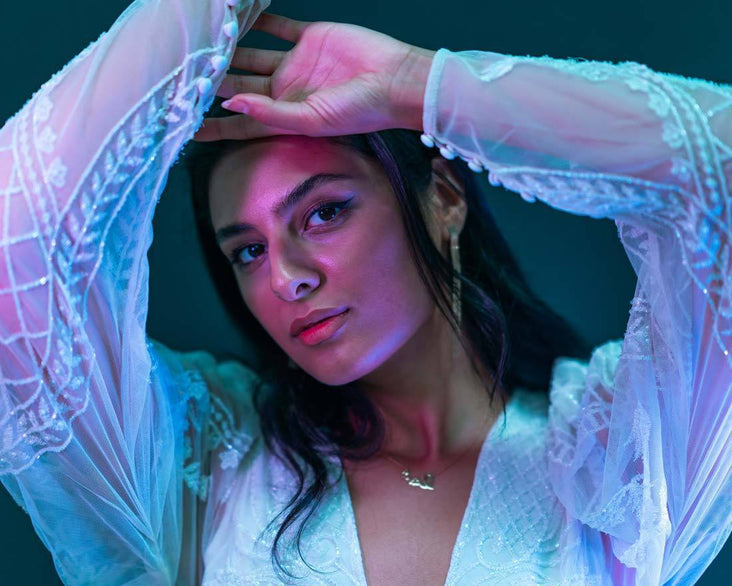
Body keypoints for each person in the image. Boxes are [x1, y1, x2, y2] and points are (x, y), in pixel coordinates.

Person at [0, 0, 729, 584]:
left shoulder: (618, 458)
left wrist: (428, 88)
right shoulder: (199, 469)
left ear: (444, 198)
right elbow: (15, 248)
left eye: (323, 213)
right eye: (248, 250)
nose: (285, 276)